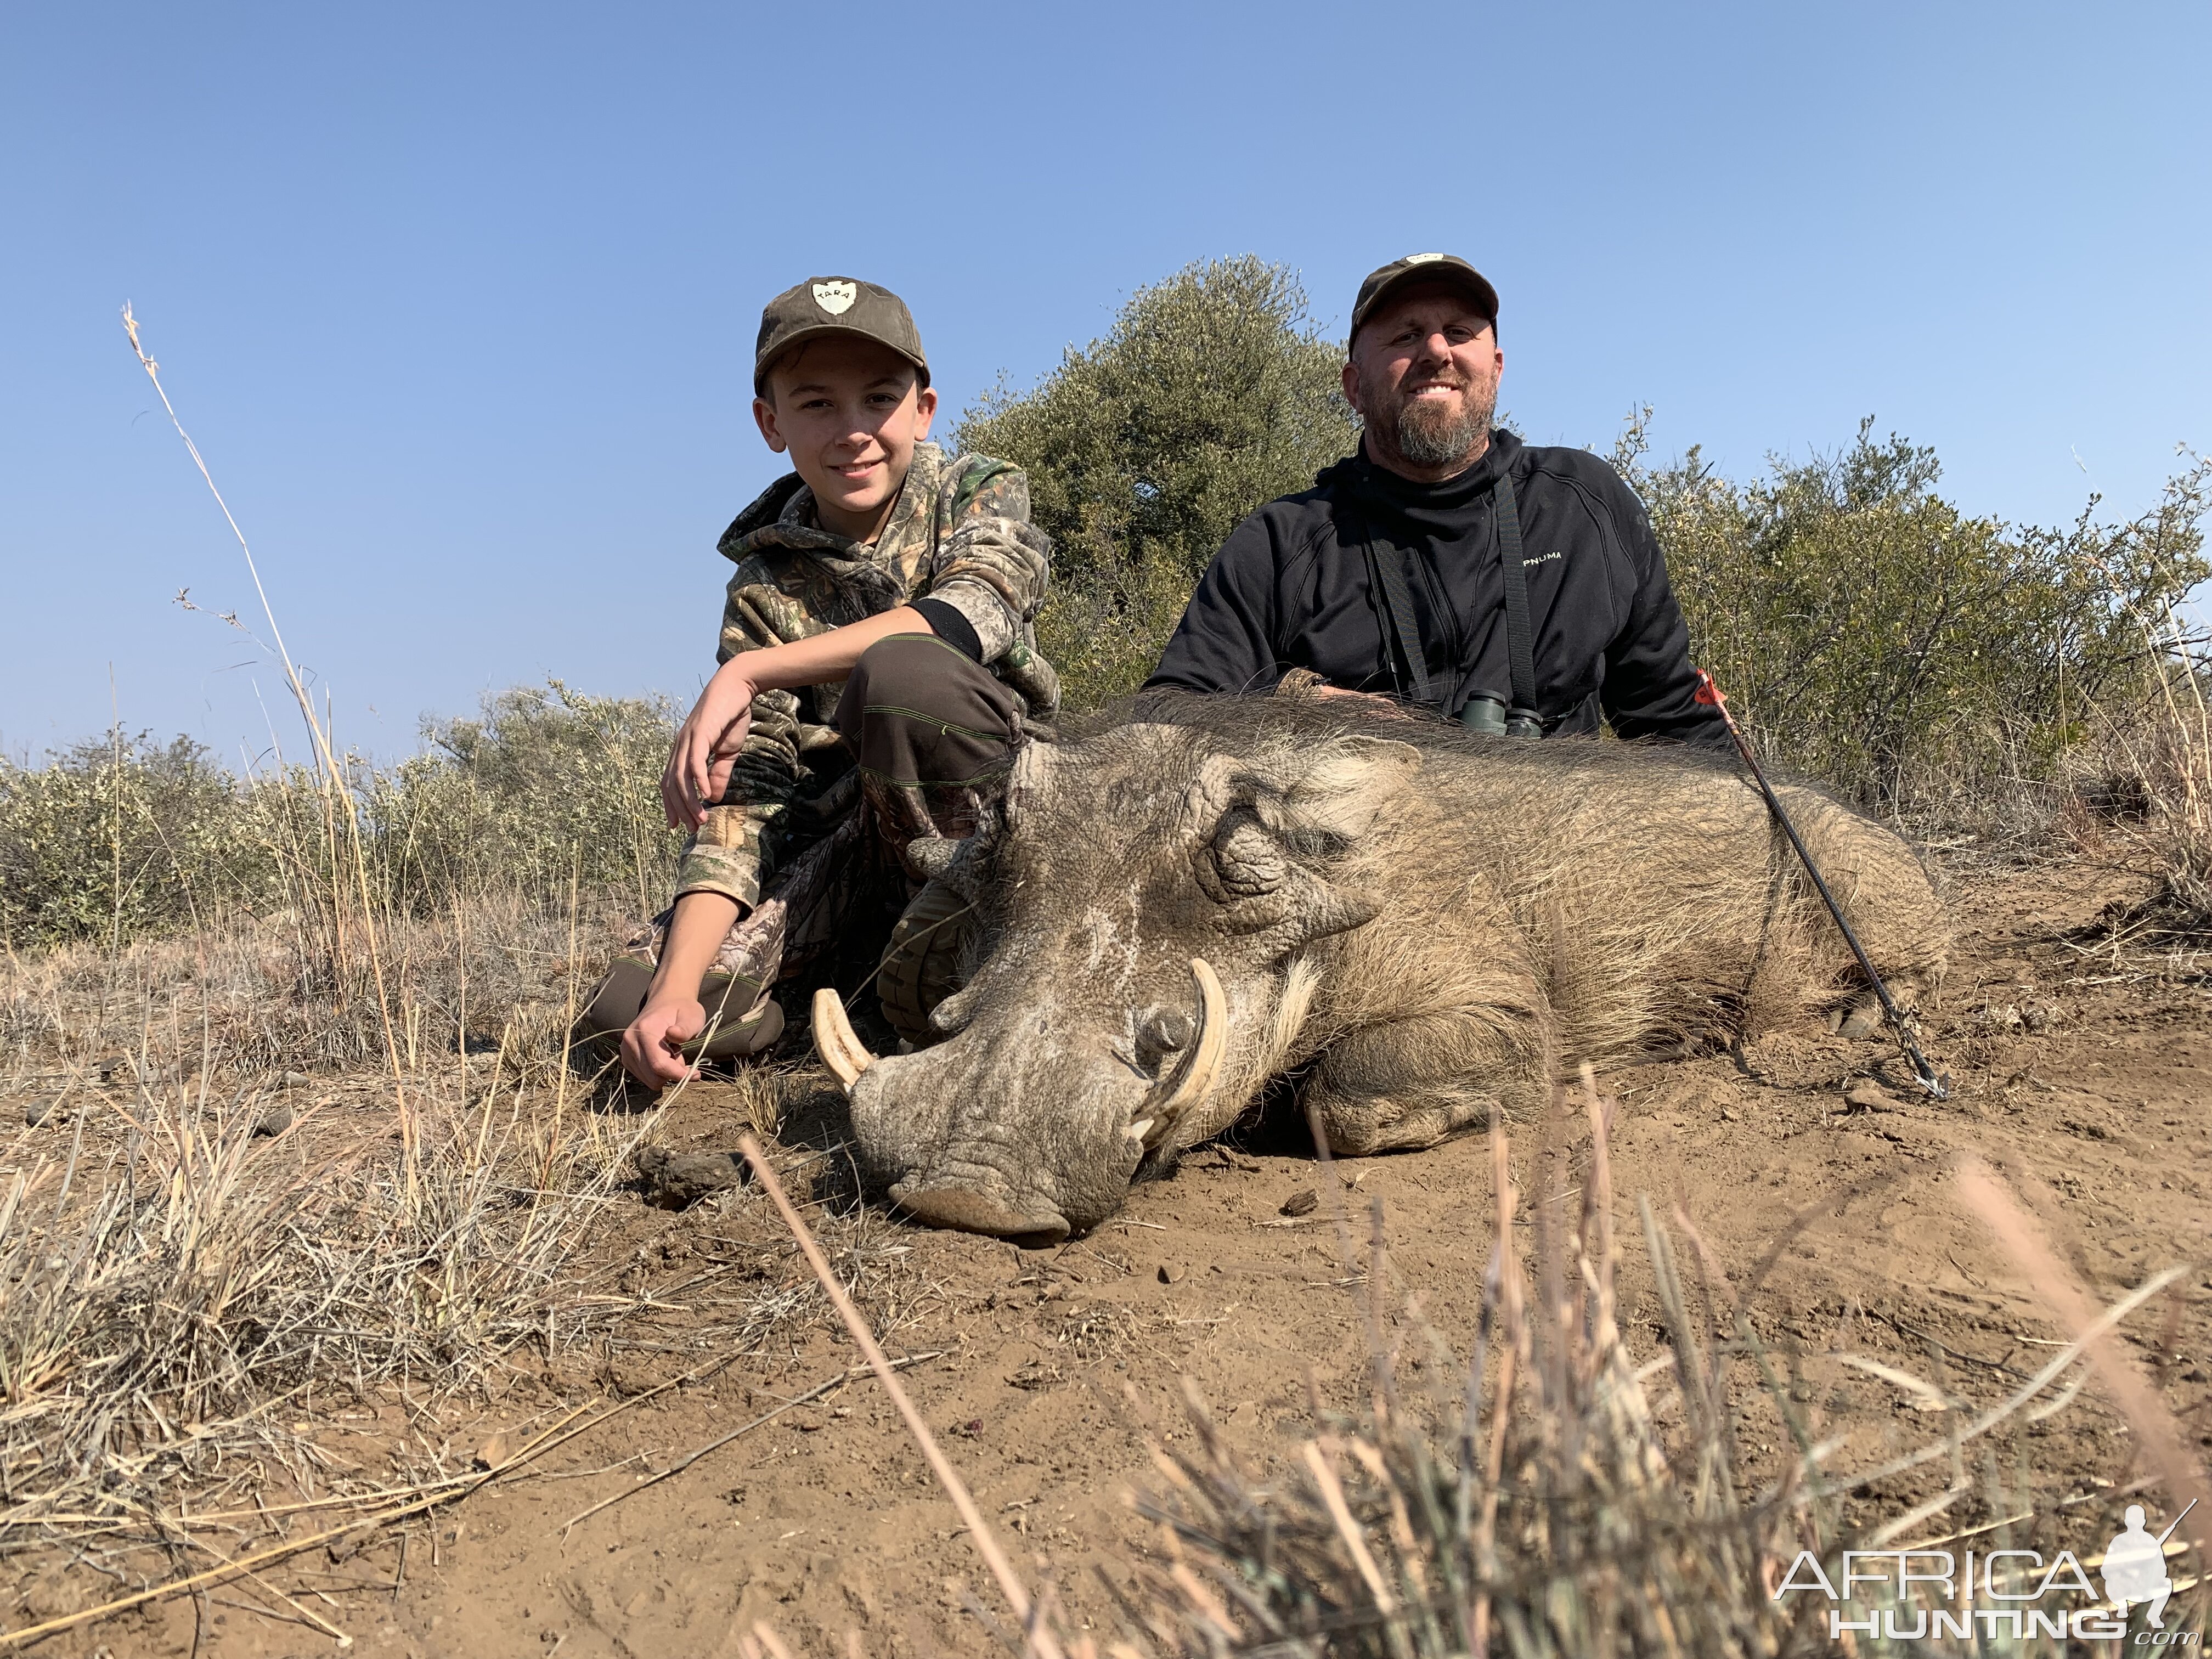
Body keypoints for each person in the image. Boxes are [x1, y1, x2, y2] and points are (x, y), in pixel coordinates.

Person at [582, 276, 1057, 1090]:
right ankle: (812, 1000)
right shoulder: (764, 582)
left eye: (879, 398)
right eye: (816, 406)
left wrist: (749, 670)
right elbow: (749, 795)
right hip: (848, 842)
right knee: (625, 1009)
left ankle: (989, 951)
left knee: (901, 676)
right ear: (771, 423)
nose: (854, 432)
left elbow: (970, 614)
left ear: (924, 409)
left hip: (997, 827)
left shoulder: (980, 491)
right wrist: (670, 988)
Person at [1145, 252, 1726, 747]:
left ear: (1495, 370)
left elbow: (1674, 720)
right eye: (1405, 335)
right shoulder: (1282, 541)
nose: (1436, 351)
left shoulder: (1586, 506)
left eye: (1460, 332)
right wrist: (1301, 703)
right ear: (1354, 387)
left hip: (1558, 871)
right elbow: (1167, 718)